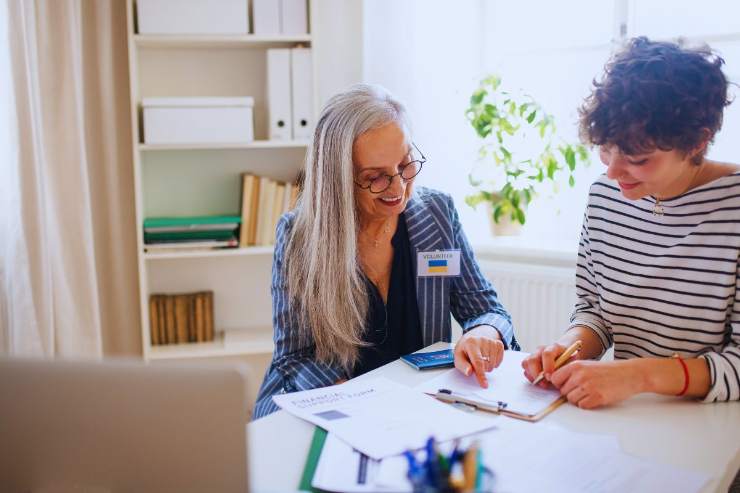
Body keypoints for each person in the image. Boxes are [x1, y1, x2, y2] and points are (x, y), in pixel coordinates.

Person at [253, 84, 518, 418]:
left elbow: (488, 310)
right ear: (340, 179)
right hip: (331, 403)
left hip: (416, 405)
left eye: (406, 165)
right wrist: (352, 402)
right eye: (376, 177)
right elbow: (293, 358)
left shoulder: (437, 214)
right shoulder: (299, 237)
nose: (399, 187)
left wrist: (482, 333)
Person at [522, 37, 740, 407]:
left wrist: (640, 375)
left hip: (715, 429)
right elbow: (595, 312)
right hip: (630, 421)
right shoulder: (605, 196)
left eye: (638, 159)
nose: (612, 171)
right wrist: (569, 347)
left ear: (697, 142)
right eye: (606, 149)